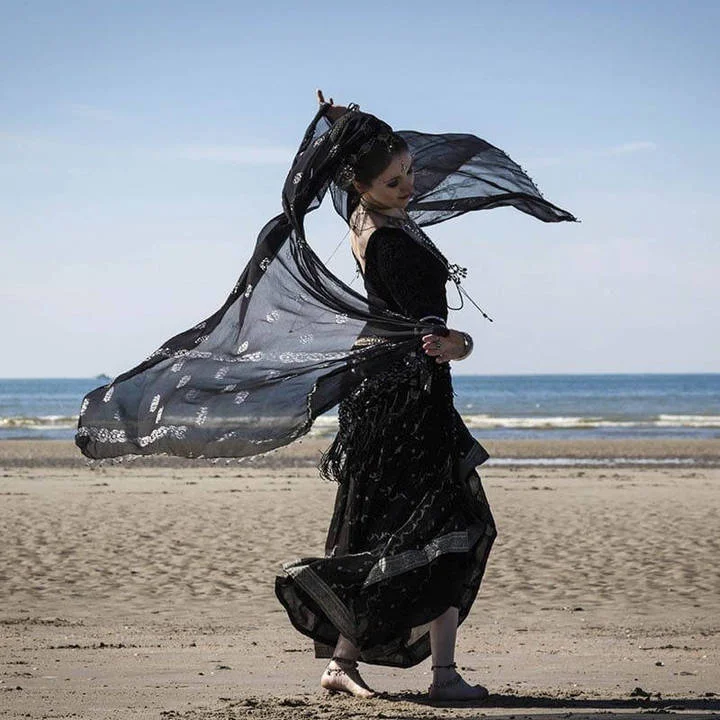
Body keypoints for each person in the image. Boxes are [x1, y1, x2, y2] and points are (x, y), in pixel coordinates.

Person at [273, 91, 498, 701]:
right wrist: (458, 343)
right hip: (402, 396)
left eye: (410, 173)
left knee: (428, 530)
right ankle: (415, 672)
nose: (408, 187)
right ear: (361, 186)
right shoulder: (384, 237)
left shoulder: (370, 215)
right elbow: (428, 332)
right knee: (435, 529)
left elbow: (427, 333)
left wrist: (344, 123)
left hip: (403, 390)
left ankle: (378, 667)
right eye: (394, 181)